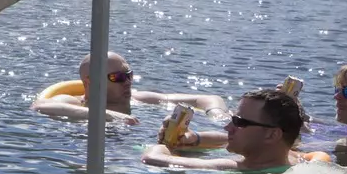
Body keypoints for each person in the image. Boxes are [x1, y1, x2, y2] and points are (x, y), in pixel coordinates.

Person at [143, 87, 320, 174]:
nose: (228, 127)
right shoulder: (299, 159)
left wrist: (164, 144)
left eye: (239, 122)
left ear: (272, 134)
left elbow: (152, 158)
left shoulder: (237, 167)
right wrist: (194, 138)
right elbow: (226, 139)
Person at [31, 53, 227, 124]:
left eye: (129, 75)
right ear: (90, 83)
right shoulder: (76, 102)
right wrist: (109, 115)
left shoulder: (140, 99)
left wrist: (217, 114)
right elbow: (40, 106)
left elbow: (209, 98)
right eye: (118, 77)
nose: (128, 82)